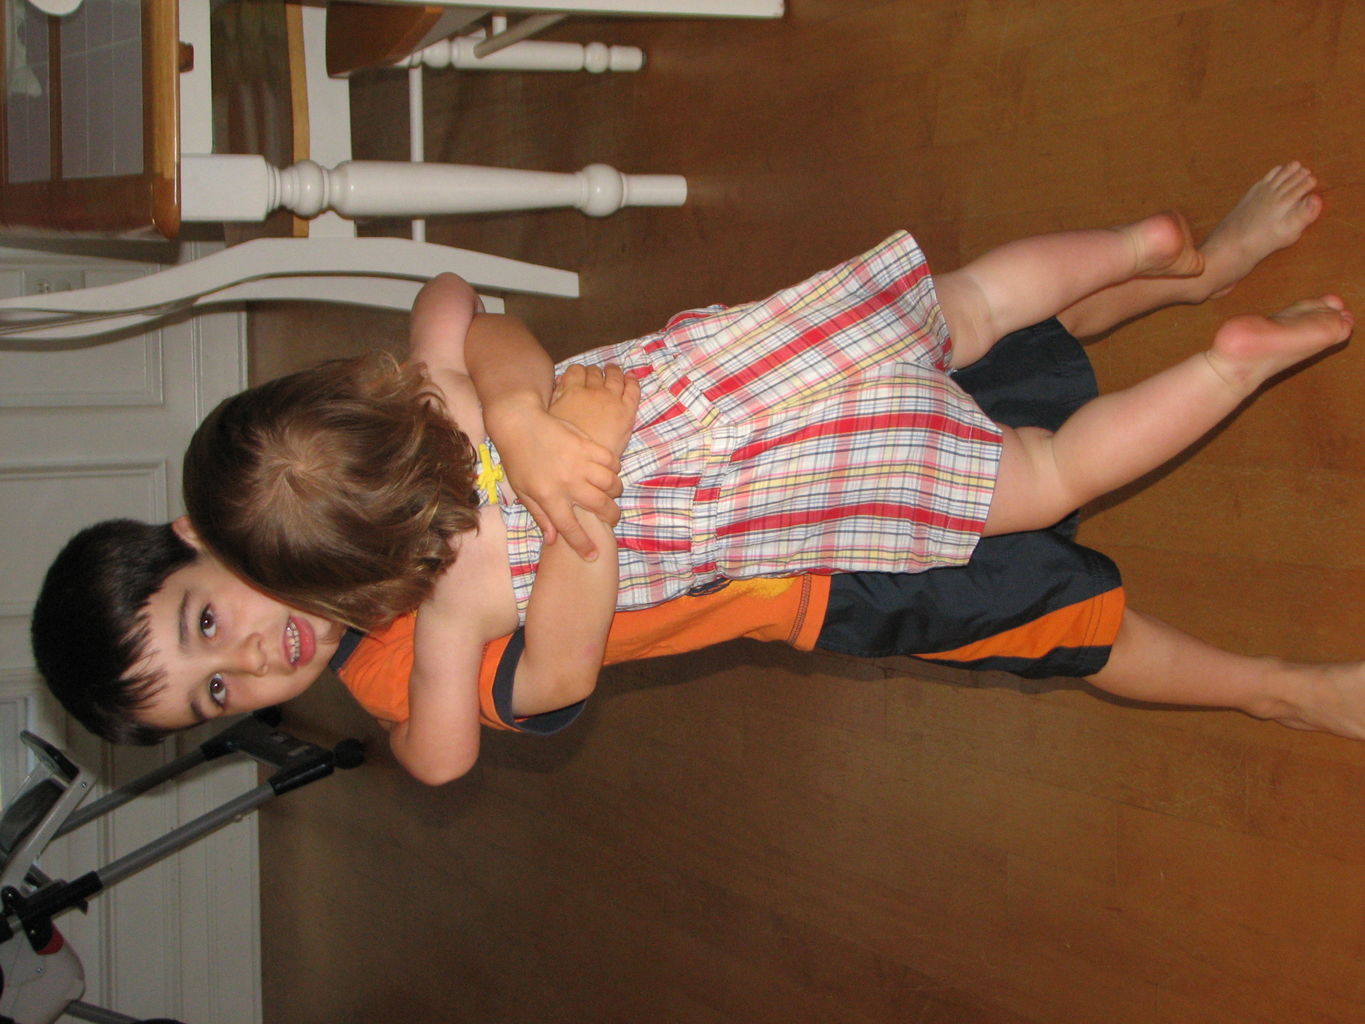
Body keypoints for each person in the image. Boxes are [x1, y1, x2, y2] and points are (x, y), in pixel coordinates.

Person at [31, 163, 1363, 783]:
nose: (254, 663)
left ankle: (1198, 284)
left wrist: (526, 416)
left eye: (208, 622)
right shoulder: (394, 661)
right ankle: (1288, 695)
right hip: (815, 554)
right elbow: (529, 691)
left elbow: (454, 308)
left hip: (811, 465)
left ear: (197, 532)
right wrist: (559, 495)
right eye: (213, 696)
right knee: (1058, 595)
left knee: (1025, 379)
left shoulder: (354, 460)